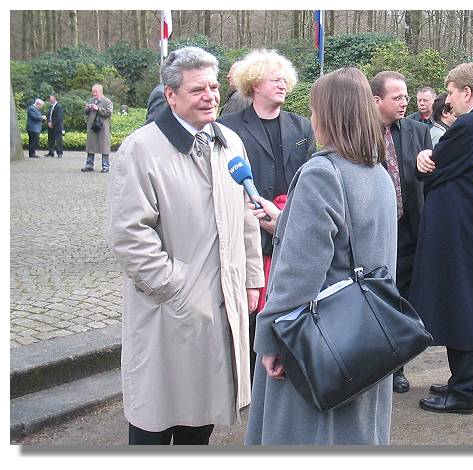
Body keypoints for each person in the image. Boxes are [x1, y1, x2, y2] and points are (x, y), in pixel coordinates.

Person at [106, 46, 264, 445]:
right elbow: (129, 234)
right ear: (171, 95)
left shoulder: (230, 142)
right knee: (156, 415)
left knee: (202, 417)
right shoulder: (141, 150)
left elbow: (247, 215)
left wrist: (250, 279)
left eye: (213, 86)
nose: (210, 95)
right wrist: (175, 285)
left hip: (223, 301)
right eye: (197, 89)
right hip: (167, 309)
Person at [244, 66, 397, 445]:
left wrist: (272, 342)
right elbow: (354, 249)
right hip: (367, 337)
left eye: (314, 110)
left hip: (319, 344)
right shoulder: (377, 173)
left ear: (328, 114)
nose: (310, 119)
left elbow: (299, 274)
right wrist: (286, 223)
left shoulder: (321, 173)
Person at [413, 62, 473, 414]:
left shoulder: (471, 124)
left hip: (460, 234)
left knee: (461, 306)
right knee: (468, 303)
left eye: (451, 91)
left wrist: (425, 157)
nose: (447, 99)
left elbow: (434, 171)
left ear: (467, 92)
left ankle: (464, 391)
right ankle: (466, 381)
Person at [217, 49, 316, 384]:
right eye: (275, 79)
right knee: (247, 308)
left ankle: (283, 365)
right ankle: (245, 377)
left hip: (289, 230)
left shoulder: (301, 125)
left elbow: (311, 177)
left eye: (285, 79)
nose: (283, 84)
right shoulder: (228, 127)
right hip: (246, 235)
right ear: (254, 83)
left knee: (283, 304)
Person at [370, 71, 433, 393]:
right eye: (397, 97)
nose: (404, 102)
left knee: (402, 301)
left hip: (409, 229)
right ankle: (372, 363)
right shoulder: (360, 132)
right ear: (376, 100)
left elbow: (428, 180)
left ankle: (397, 367)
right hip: (373, 232)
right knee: (375, 299)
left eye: (406, 96)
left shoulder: (419, 131)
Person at [81, 84, 113, 173]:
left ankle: (105, 166)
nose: (94, 94)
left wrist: (98, 108)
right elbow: (88, 113)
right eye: (93, 92)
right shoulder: (91, 100)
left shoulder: (107, 102)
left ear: (101, 92)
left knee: (104, 146)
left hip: (103, 127)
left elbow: (109, 113)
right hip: (92, 127)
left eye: (96, 92)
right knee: (91, 146)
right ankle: (89, 165)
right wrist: (87, 109)